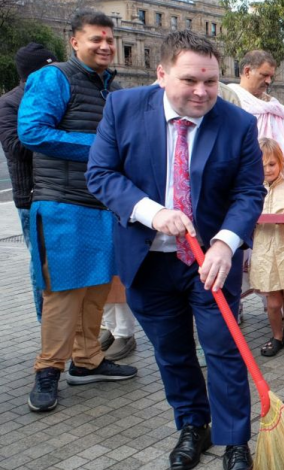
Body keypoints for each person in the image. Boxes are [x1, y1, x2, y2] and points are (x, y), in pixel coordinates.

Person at [86, 30, 265, 470]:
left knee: (224, 349)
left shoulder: (237, 123)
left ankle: (234, 439)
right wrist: (151, 211)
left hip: (211, 264)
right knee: (172, 351)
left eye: (211, 81)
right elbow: (101, 174)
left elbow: (248, 192)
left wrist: (226, 242)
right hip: (148, 261)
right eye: (190, 81)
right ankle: (192, 426)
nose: (203, 92)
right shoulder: (123, 109)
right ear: (161, 74)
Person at [18, 10, 137, 413]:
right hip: (60, 204)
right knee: (63, 293)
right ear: (74, 41)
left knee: (97, 289)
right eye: (95, 39)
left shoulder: (112, 88)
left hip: (103, 206)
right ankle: (47, 369)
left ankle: (87, 361)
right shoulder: (53, 78)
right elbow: (31, 131)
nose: (104, 46)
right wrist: (100, 147)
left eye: (109, 39)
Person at [0, 42, 57, 323]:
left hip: (68, 194)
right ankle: (49, 332)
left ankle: (80, 338)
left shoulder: (61, 94)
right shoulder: (10, 102)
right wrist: (52, 135)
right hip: (31, 199)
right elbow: (14, 146)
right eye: (49, 68)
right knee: (42, 266)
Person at [250, 138, 284, 357]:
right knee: (273, 300)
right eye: (262, 165)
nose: (267, 169)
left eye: (271, 164)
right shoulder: (252, 191)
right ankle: (277, 335)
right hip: (264, 250)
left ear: (281, 162)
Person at [228, 50, 284, 184]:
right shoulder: (229, 102)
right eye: (264, 75)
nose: (269, 81)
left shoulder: (276, 108)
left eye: (271, 76)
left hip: (282, 192)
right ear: (247, 71)